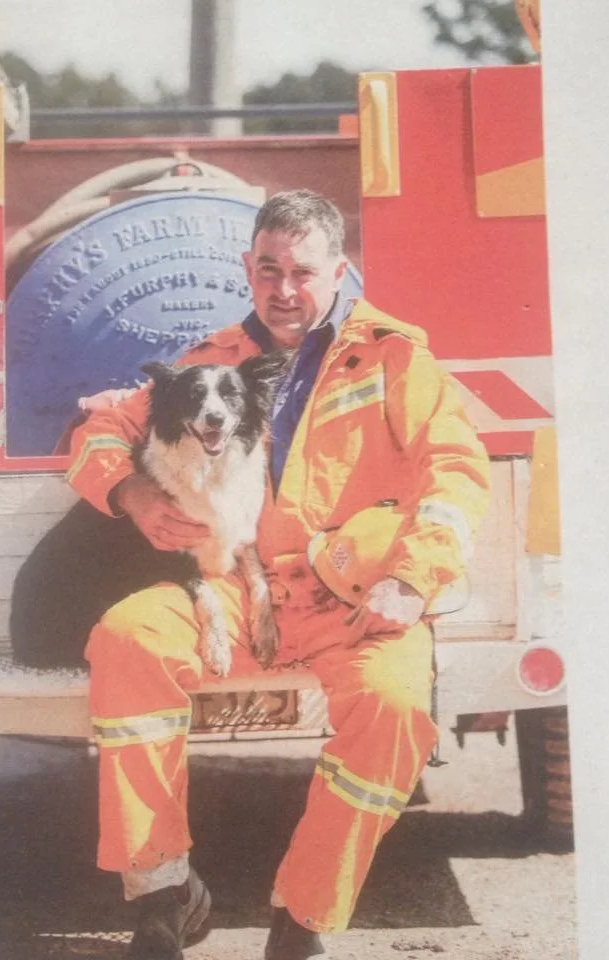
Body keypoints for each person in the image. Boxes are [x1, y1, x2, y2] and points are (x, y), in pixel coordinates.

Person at [66, 190, 492, 960]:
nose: (285, 290)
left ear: (339, 271)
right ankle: (164, 896)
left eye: (303, 271)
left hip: (357, 594)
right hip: (236, 584)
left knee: (396, 708)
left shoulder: (395, 357)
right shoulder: (212, 360)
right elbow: (103, 427)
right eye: (269, 270)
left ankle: (302, 920)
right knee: (128, 640)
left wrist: (413, 578)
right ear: (248, 269)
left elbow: (457, 473)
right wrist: (127, 493)